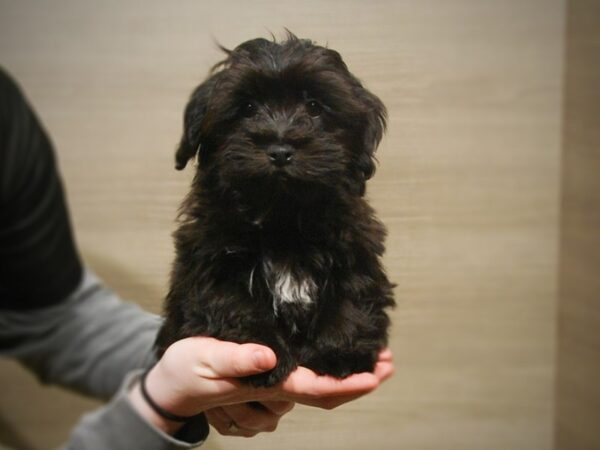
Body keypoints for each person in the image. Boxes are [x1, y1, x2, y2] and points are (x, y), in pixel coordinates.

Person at [0, 68, 394, 449]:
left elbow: (48, 316)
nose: (280, 136)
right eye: (249, 110)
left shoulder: (8, 116)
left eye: (312, 108)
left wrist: (177, 372)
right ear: (202, 141)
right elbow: (209, 293)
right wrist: (160, 400)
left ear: (357, 141)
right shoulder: (214, 239)